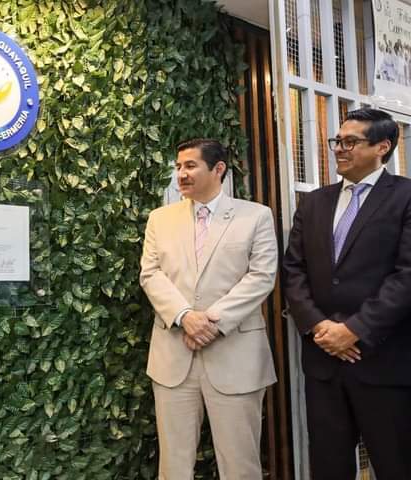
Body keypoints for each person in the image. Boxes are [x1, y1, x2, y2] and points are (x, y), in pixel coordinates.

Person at [283, 107, 411, 479]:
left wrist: (353, 330)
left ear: (382, 147)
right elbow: (293, 270)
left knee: (396, 464)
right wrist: (320, 328)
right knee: (328, 466)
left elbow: (406, 275)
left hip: (383, 359)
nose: (339, 148)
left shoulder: (404, 197)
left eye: (350, 141)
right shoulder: (315, 203)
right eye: (337, 141)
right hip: (324, 363)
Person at [140, 138, 277, 479]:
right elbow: (150, 273)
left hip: (236, 355)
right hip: (174, 357)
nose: (181, 174)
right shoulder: (160, 219)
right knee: (173, 465)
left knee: (240, 463)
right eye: (178, 167)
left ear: (218, 169)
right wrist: (185, 317)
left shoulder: (256, 216)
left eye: (190, 166)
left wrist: (211, 323)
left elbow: (261, 277)